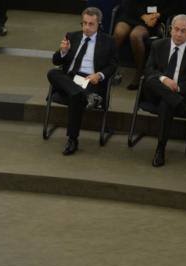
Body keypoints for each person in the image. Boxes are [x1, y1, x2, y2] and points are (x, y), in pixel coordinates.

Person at [47, 6, 117, 155]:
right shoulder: (72, 36)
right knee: (53, 73)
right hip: (70, 78)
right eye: (84, 23)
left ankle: (72, 139)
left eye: (91, 24)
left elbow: (113, 66)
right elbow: (56, 61)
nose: (86, 27)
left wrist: (99, 75)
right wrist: (63, 52)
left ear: (99, 24)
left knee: (74, 96)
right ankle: (87, 97)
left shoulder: (108, 41)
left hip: (89, 80)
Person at [142, 14, 186, 167]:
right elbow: (148, 70)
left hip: (178, 93)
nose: (178, 34)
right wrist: (165, 80)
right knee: (151, 79)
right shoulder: (158, 45)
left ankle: (160, 149)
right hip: (155, 93)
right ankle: (182, 107)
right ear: (170, 29)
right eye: (176, 29)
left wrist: (178, 87)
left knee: (166, 103)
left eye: (183, 31)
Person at [112, 0, 176, 90]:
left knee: (135, 36)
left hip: (153, 20)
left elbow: (174, 7)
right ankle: (107, 68)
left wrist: (158, 15)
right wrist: (143, 16)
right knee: (119, 32)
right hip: (132, 15)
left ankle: (139, 73)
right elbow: (126, 3)